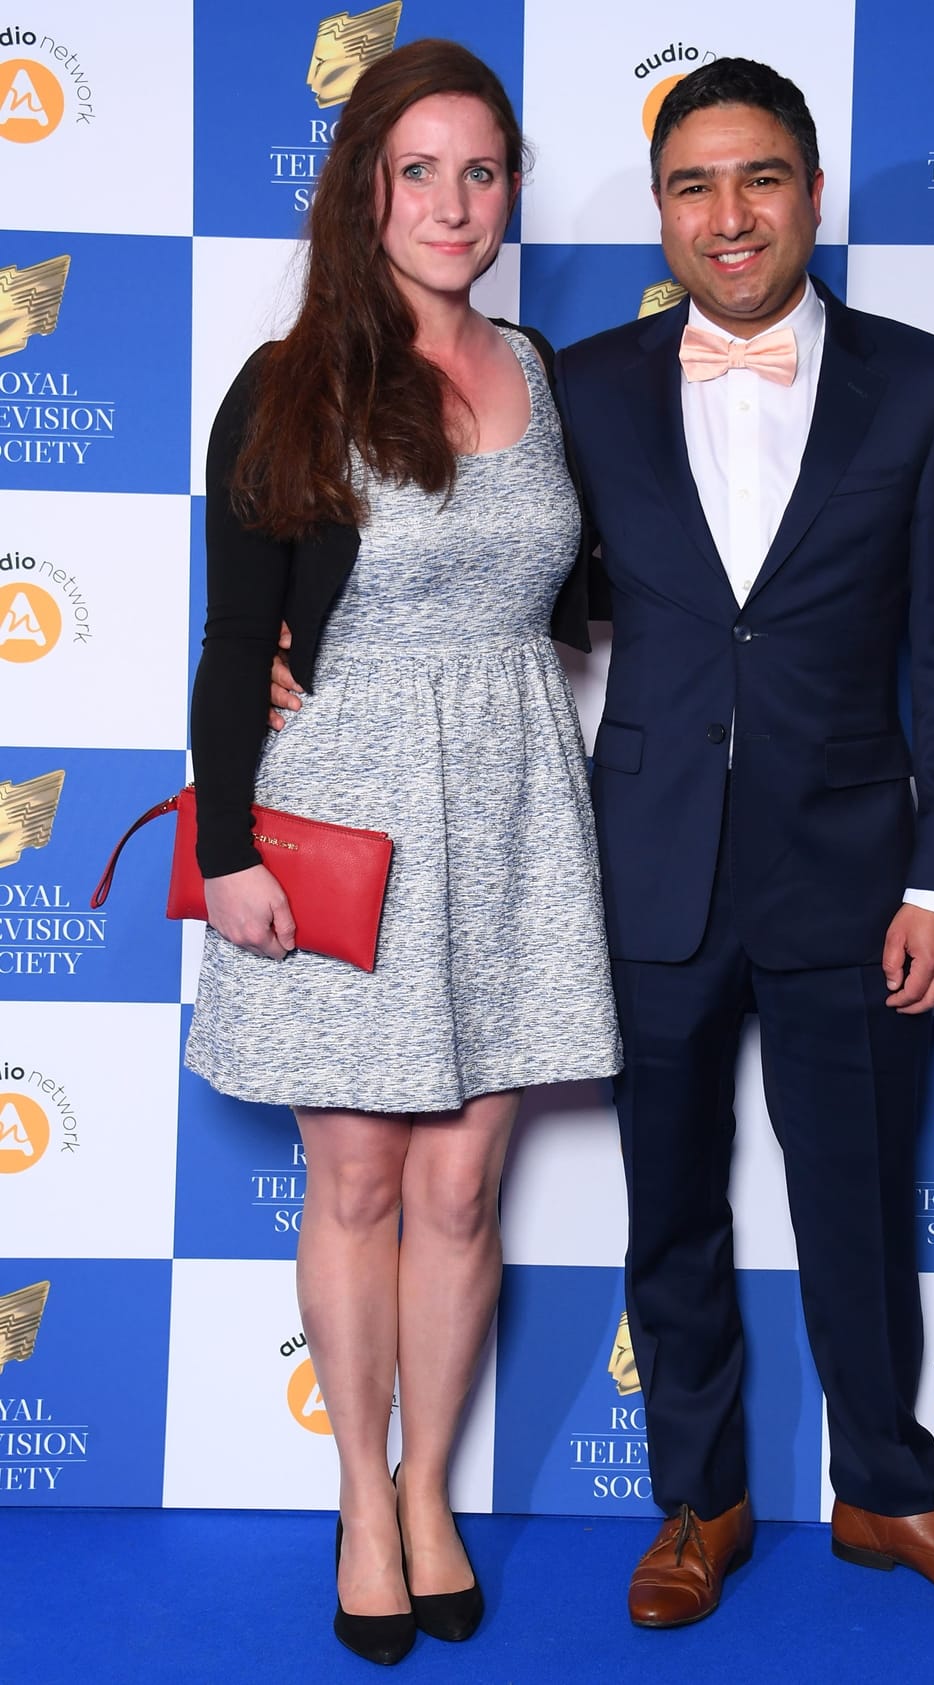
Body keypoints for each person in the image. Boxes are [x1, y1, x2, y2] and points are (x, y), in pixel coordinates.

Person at [549, 57, 934, 1623]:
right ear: (662, 210)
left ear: (811, 193)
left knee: (861, 1202)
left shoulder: (921, 386)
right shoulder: (582, 388)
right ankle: (696, 1501)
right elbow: (506, 584)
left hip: (855, 873)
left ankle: (887, 1494)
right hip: (649, 862)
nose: (731, 214)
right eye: (696, 184)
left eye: (760, 178)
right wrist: (313, 651)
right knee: (672, 1205)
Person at [186, 37, 620, 1667]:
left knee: (461, 1184)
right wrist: (230, 849)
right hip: (345, 807)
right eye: (419, 168)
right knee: (359, 1175)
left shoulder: (542, 366)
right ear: (365, 187)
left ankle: (431, 1487)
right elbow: (238, 649)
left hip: (513, 802)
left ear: (509, 190)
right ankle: (361, 1506)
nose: (453, 200)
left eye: (482, 169)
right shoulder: (288, 378)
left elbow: (575, 589)